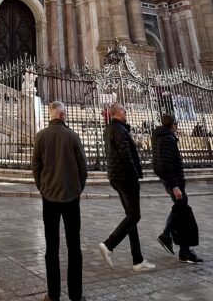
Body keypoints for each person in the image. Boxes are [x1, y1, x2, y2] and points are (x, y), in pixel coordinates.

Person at [32, 101, 87, 301]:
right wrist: (78, 188)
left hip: (49, 199)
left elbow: (36, 166)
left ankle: (53, 294)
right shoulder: (73, 136)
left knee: (51, 248)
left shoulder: (41, 136)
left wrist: (43, 188)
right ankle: (76, 295)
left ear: (51, 115)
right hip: (72, 198)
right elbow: (83, 167)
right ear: (63, 115)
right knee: (74, 248)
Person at [99, 103, 154, 272]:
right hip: (125, 177)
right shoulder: (119, 129)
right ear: (119, 113)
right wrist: (134, 175)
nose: (126, 113)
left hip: (116, 176)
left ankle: (137, 260)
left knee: (131, 217)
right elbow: (125, 154)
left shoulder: (111, 129)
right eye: (124, 111)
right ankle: (109, 244)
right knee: (134, 215)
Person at [152, 115, 202, 263]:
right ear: (173, 124)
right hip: (174, 182)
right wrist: (174, 185)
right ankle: (182, 249)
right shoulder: (167, 139)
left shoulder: (160, 137)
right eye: (176, 124)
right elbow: (166, 164)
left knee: (180, 209)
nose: (177, 127)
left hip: (171, 181)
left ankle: (168, 236)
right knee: (183, 213)